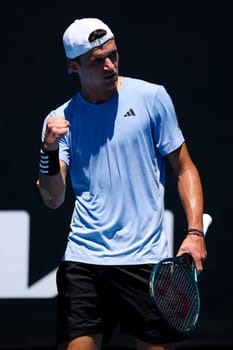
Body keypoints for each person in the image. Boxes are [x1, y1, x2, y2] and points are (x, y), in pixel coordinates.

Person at [37, 17, 207, 350]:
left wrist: (195, 231)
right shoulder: (59, 120)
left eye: (113, 55)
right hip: (84, 260)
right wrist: (48, 149)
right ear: (73, 66)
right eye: (97, 60)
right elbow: (52, 198)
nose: (109, 65)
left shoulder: (152, 98)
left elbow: (185, 168)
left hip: (145, 260)